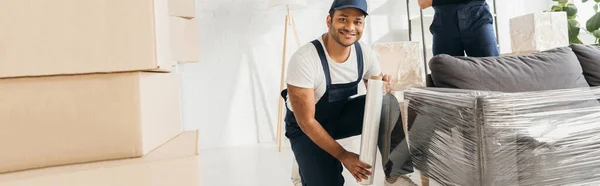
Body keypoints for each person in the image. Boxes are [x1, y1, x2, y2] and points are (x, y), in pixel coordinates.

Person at [281, 0, 416, 185]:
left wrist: (381, 86)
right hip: (305, 128)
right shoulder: (305, 59)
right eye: (343, 19)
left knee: (386, 103)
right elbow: (306, 121)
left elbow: (376, 95)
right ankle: (305, 160)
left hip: (339, 118)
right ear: (329, 21)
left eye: (357, 21)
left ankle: (397, 176)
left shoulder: (365, 53)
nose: (350, 27)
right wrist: (344, 155)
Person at [418, 0, 499, 57]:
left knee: (490, 71)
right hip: (444, 22)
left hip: (477, 18)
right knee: (445, 76)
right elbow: (424, 2)